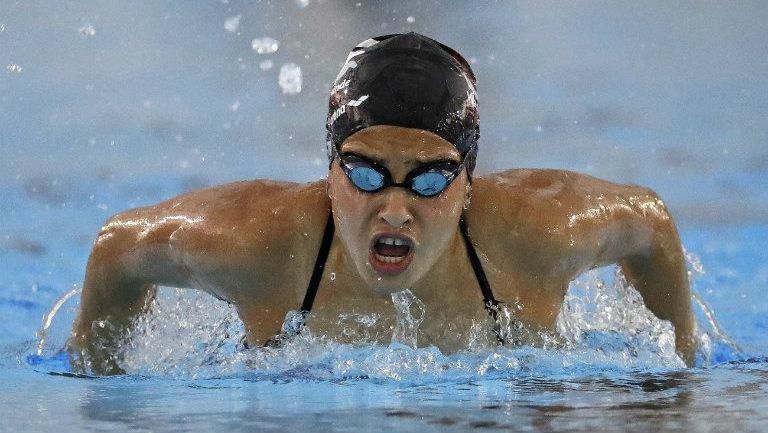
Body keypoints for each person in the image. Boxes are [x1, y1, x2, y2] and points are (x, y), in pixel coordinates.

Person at [68, 33, 696, 375]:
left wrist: (673, 381)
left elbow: (650, 222)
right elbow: (119, 246)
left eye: (428, 181)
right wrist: (105, 387)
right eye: (367, 174)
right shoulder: (260, 243)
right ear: (330, 172)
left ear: (469, 184)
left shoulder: (536, 233)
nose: (395, 209)